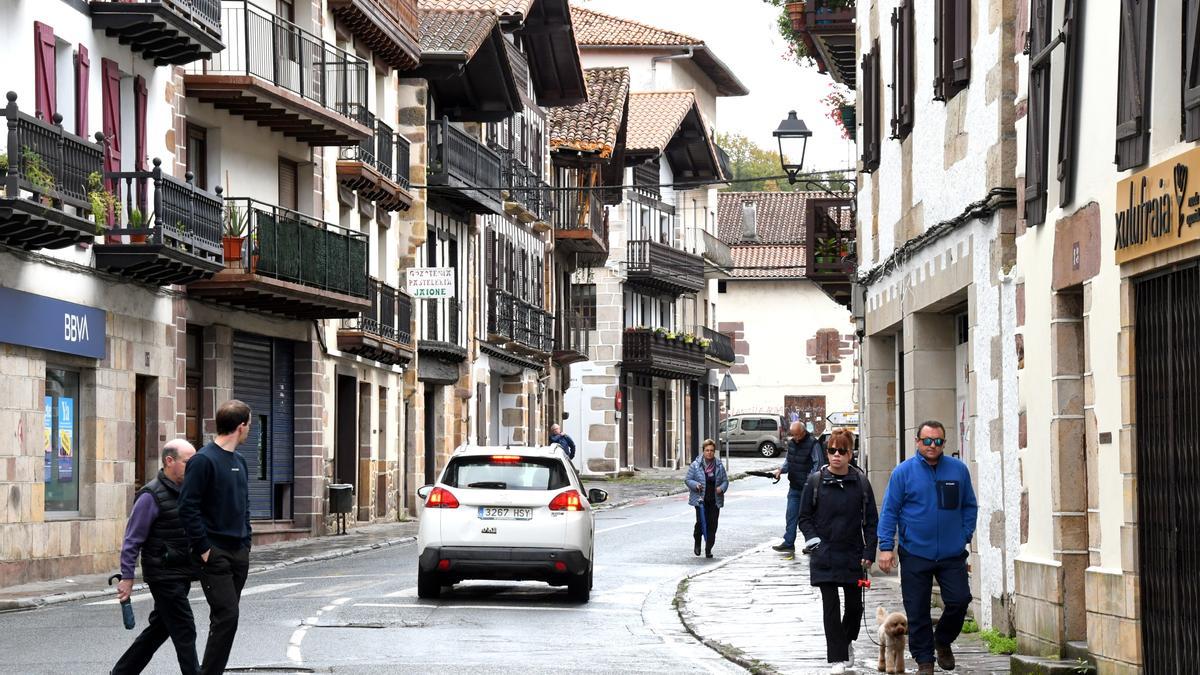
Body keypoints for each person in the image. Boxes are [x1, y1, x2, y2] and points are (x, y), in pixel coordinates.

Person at [877, 420, 978, 675]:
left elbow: (969, 505)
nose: (932, 446)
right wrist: (886, 547)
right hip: (915, 552)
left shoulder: (958, 470)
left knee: (959, 600)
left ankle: (942, 640)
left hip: (951, 553)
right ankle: (924, 662)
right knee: (917, 609)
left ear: (944, 443)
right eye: (927, 441)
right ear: (917, 442)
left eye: (938, 441)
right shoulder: (903, 472)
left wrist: (964, 533)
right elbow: (890, 510)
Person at [111, 440, 201, 675]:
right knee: (184, 628)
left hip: (181, 571)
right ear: (169, 461)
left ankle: (122, 672)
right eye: (188, 462)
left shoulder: (188, 491)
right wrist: (127, 577)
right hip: (163, 574)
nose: (193, 467)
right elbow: (132, 539)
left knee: (160, 628)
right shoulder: (151, 495)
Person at [179, 400, 253, 675]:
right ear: (241, 426)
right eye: (249, 425)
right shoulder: (203, 460)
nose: (249, 430)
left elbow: (244, 504)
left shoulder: (240, 461)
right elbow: (187, 507)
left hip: (238, 551)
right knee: (227, 616)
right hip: (215, 553)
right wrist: (204, 548)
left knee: (225, 619)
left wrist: (247, 542)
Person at [797, 429, 878, 675]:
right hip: (825, 553)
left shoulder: (861, 482)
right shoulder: (815, 481)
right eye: (831, 450)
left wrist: (869, 551)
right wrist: (814, 541)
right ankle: (837, 658)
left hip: (853, 553)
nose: (836, 456)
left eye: (842, 451)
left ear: (850, 454)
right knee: (830, 606)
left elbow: (871, 521)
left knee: (854, 607)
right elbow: (804, 517)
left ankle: (846, 640)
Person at [771, 421, 826, 553]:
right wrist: (780, 471)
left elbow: (818, 464)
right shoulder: (791, 444)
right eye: (793, 435)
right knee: (791, 515)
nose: (795, 438)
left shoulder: (813, 443)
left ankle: (813, 544)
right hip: (794, 486)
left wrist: (810, 481)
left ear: (803, 432)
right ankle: (789, 542)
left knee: (809, 518)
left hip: (808, 488)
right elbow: (788, 461)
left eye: (798, 435)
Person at [684, 439, 728, 559]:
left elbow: (725, 481)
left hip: (714, 500)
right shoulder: (695, 465)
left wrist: (721, 488)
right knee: (701, 523)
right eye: (707, 450)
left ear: (714, 452)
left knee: (712, 524)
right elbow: (688, 480)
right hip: (700, 500)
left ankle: (708, 548)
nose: (709, 453)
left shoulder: (718, 465)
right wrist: (695, 485)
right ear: (703, 451)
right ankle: (697, 541)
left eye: (712, 451)